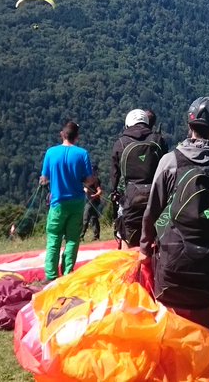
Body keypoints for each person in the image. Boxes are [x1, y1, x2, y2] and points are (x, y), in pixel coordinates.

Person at [141, 97, 209, 328]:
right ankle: (203, 358)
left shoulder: (170, 162)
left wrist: (146, 248)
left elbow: (153, 210)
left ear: (190, 125)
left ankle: (172, 359)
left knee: (169, 315)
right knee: (203, 310)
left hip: (172, 258)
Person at [39, 121, 97, 280]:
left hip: (57, 202)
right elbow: (89, 180)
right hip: (77, 202)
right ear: (77, 137)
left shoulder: (51, 153)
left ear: (62, 134)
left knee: (54, 238)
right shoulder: (82, 153)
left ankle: (50, 276)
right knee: (72, 239)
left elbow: (44, 179)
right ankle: (67, 274)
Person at [110, 108, 168, 248]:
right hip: (156, 195)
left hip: (130, 197)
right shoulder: (158, 140)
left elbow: (115, 173)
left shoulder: (121, 143)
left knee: (125, 234)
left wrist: (114, 191)